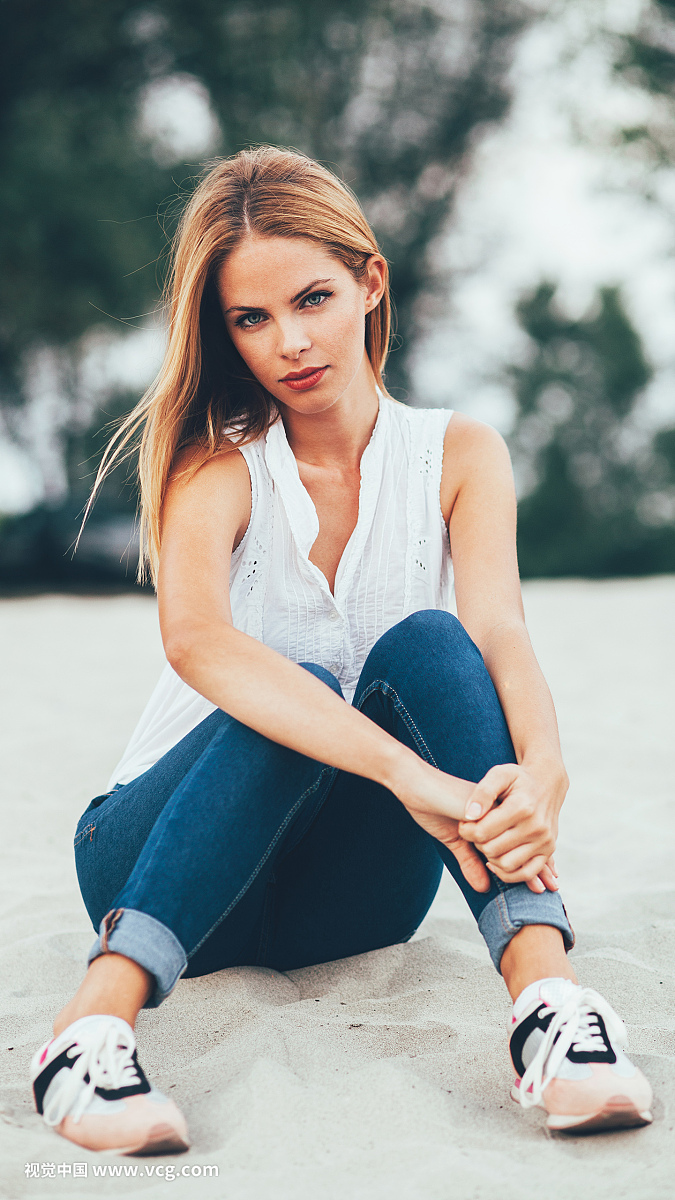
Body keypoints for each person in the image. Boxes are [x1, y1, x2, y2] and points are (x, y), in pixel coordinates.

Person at [30, 147, 652, 1155]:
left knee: (434, 643)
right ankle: (89, 1030)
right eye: (252, 318)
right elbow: (197, 643)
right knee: (297, 691)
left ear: (371, 282)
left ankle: (553, 1015)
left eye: (313, 298)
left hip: (347, 905)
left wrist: (542, 773)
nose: (290, 341)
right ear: (224, 332)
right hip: (157, 864)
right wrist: (418, 779)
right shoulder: (217, 471)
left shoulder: (460, 455)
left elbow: (500, 632)